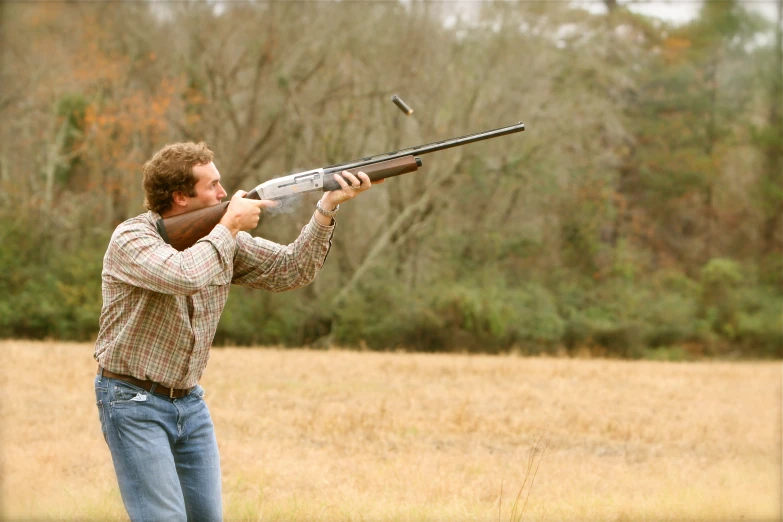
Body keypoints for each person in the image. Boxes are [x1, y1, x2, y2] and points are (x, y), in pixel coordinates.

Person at [93, 141, 377, 522]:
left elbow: (293, 269)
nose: (224, 193)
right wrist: (228, 227)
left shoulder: (222, 238)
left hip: (190, 403)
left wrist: (327, 208)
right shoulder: (132, 239)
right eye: (212, 185)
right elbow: (185, 275)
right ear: (180, 197)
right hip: (132, 402)